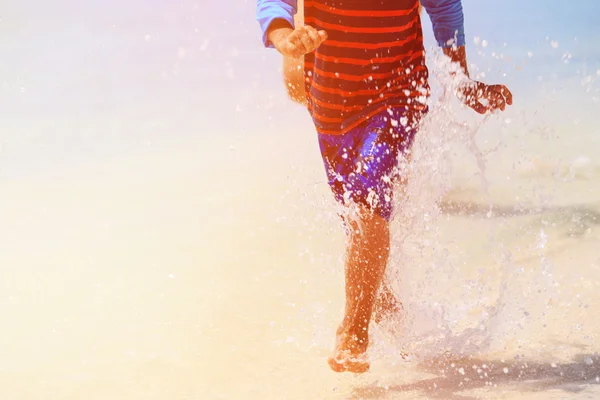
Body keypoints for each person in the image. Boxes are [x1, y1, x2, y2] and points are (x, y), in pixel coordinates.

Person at [256, 0, 512, 373]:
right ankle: (387, 308)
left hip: (399, 94)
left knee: (367, 202)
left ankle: (354, 329)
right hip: (330, 98)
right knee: (356, 218)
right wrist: (284, 38)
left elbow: (444, 8)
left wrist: (462, 82)